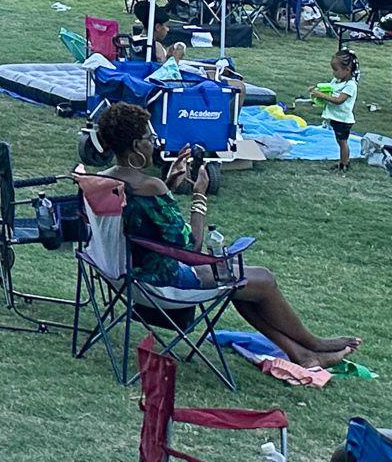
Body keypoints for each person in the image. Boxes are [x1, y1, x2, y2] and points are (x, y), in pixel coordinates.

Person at [92, 100, 358, 368]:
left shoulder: (102, 180)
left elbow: (143, 223)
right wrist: (199, 195)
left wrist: (170, 187)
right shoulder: (149, 185)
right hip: (160, 283)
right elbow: (192, 247)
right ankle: (313, 344)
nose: (155, 143)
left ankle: (303, 355)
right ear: (137, 145)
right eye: (150, 138)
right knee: (263, 278)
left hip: (121, 277)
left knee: (242, 282)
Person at [310, 48, 359, 172]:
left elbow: (339, 100)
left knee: (343, 142)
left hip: (343, 120)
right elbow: (329, 89)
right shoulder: (337, 81)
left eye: (336, 70)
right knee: (340, 141)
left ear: (347, 70)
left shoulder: (350, 86)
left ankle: (344, 164)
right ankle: (342, 162)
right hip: (337, 118)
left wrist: (320, 95)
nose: (333, 73)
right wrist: (317, 90)